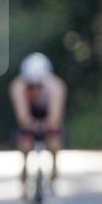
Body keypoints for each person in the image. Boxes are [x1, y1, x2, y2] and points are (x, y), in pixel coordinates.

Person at [10, 53, 67, 196]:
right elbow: (22, 115)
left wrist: (48, 124)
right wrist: (31, 125)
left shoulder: (56, 86)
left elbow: (56, 115)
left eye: (39, 85)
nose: (35, 89)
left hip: (47, 115)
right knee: (25, 148)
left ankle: (53, 174)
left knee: (54, 144)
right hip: (30, 116)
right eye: (31, 85)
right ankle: (24, 192)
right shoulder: (18, 86)